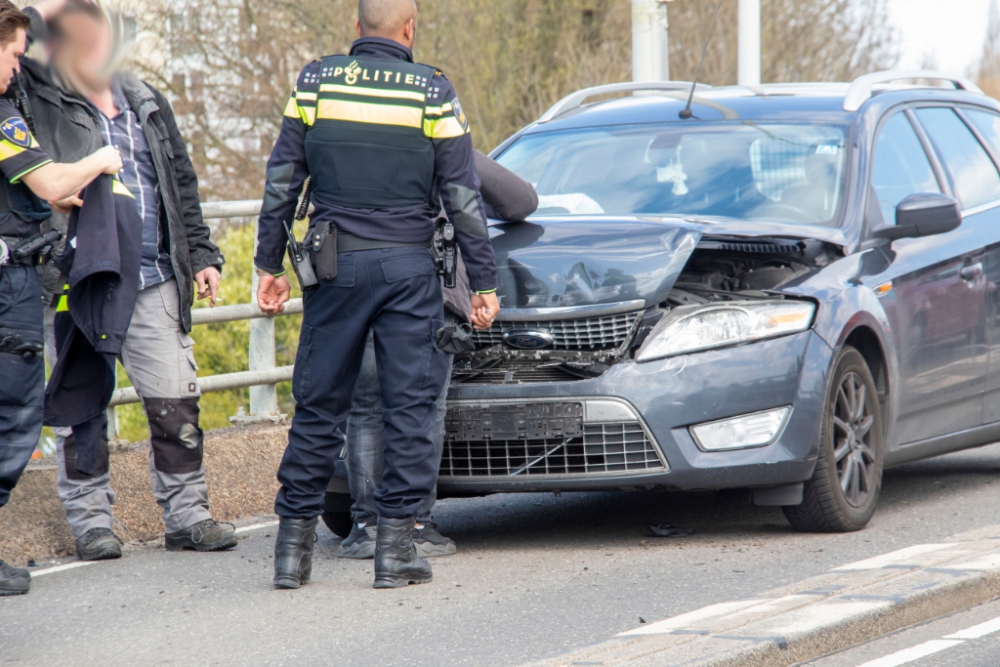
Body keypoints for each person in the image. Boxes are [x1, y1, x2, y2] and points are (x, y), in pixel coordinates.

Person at [256, 0, 500, 590]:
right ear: (409, 29)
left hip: (334, 266)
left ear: (357, 27)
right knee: (410, 407)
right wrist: (483, 281)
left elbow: (283, 177)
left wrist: (268, 262)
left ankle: (291, 556)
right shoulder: (432, 92)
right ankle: (395, 553)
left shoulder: (316, 82)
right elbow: (463, 196)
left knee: (319, 404)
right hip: (410, 270)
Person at [20, 0, 236, 561]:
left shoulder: (143, 98)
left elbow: (179, 180)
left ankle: (188, 516)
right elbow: (19, 31)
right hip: (81, 279)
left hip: (156, 274)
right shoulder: (39, 95)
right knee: (82, 407)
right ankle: (92, 523)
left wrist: (204, 253)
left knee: (176, 403)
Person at [337, 152, 538, 560]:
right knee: (423, 407)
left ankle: (365, 526)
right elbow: (521, 203)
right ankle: (414, 525)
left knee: (365, 408)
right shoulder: (444, 141)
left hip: (354, 282)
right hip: (427, 285)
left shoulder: (346, 136)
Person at [0, 0, 123, 597]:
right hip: (9, 286)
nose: (16, 67)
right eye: (13, 54)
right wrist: (101, 159)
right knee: (15, 418)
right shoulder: (2, 114)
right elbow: (48, 180)